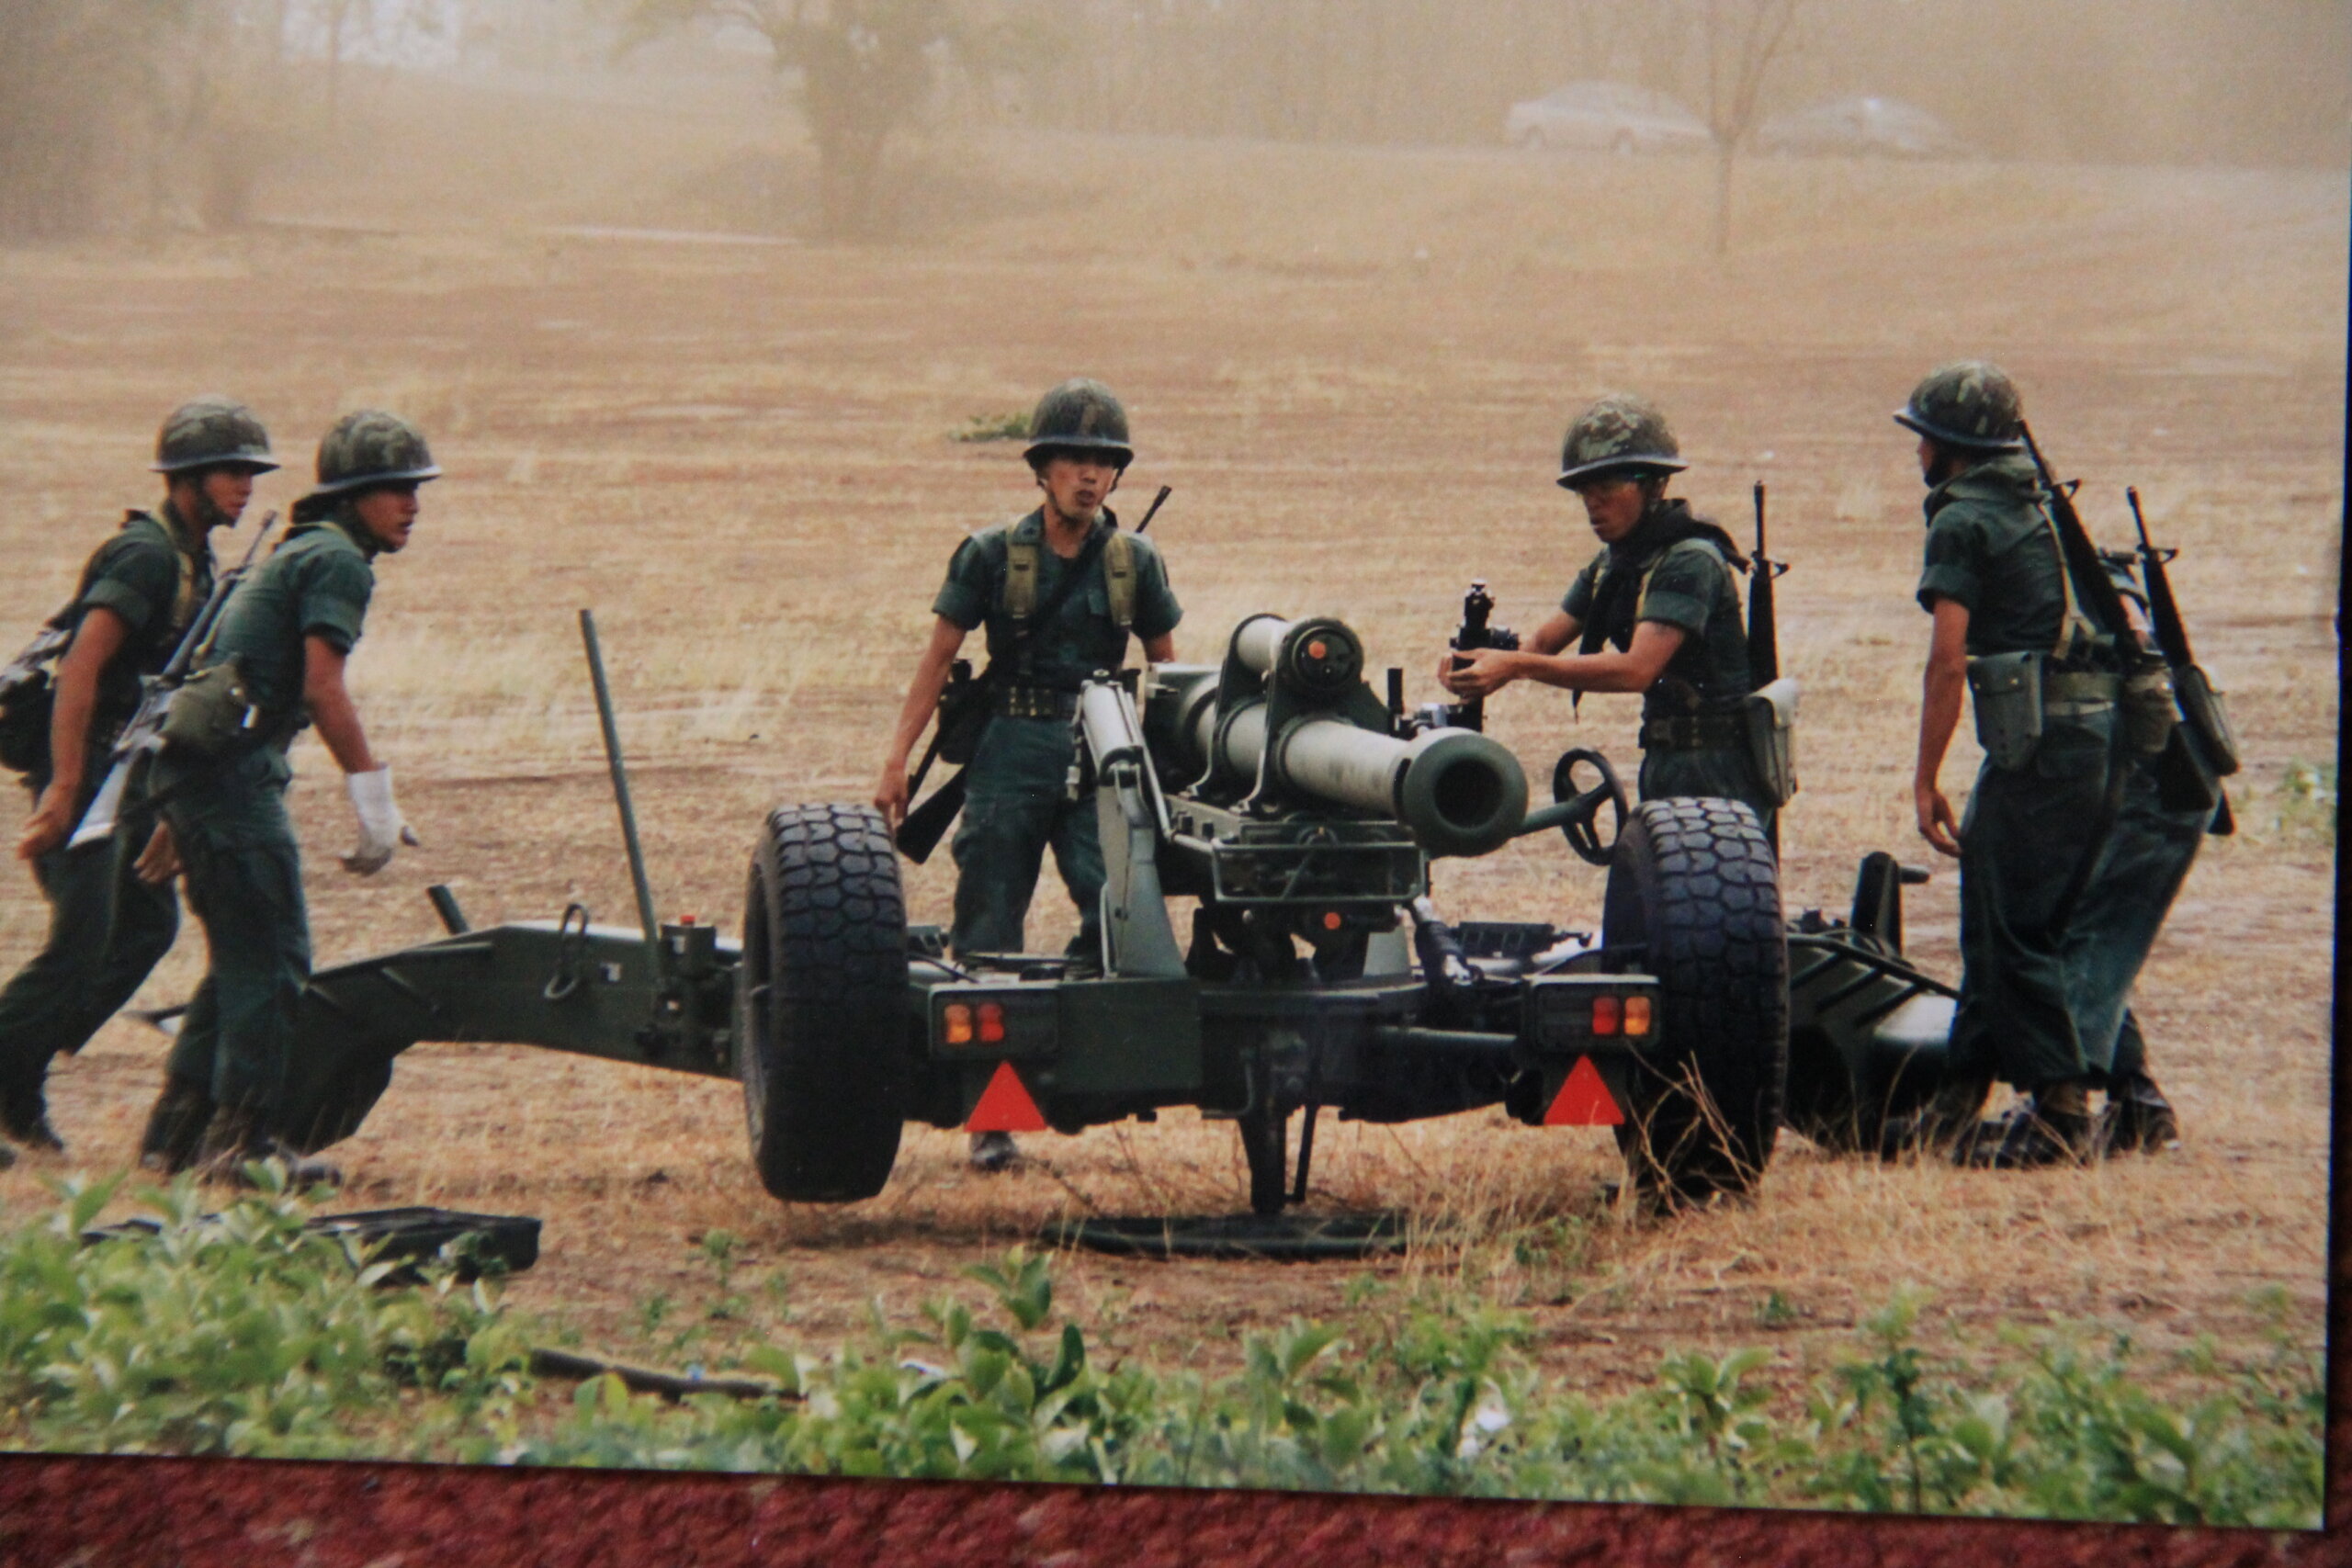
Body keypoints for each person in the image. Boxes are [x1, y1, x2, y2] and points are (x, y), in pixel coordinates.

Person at [874, 378, 1181, 1171]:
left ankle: (1076, 1072)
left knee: (1119, 908)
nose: (1089, 475)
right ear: (1042, 470)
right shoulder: (988, 554)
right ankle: (990, 1115)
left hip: (1099, 745)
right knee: (988, 919)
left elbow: (1173, 673)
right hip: (1008, 744)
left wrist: (1171, 769)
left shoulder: (1134, 561)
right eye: (1073, 460)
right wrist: (897, 760)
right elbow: (939, 656)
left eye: (1104, 463)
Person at [136, 410, 435, 1183]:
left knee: (239, 956)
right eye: (393, 489)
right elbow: (321, 688)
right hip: (230, 784)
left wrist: (178, 812)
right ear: (351, 498)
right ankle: (243, 1147)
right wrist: (373, 798)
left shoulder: (299, 550)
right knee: (274, 958)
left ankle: (174, 1137)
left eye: (414, 489)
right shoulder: (337, 563)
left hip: (208, 775)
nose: (412, 504)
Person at [0, 397, 278, 1162]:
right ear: (186, 478)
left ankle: (15, 1073)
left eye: (251, 471)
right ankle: (10, 1076)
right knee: (79, 945)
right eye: (231, 471)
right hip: (84, 762)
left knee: (146, 928)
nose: (245, 485)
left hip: (125, 769)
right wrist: (62, 790)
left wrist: (163, 806)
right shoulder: (146, 556)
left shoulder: (196, 561)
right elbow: (81, 668)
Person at [1899, 360, 2126, 1168]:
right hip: (2092, 737)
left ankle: (2064, 1112)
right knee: (2019, 918)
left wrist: (1926, 780)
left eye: (1923, 435)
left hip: (2042, 747)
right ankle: (1962, 1101)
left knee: (2010, 927)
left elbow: (1948, 660)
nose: (1917, 450)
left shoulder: (1963, 518)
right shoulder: (2038, 500)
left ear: (1950, 444)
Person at [1439, 393, 1777, 836]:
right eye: (1584, 491)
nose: (1592, 505)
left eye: (1607, 489)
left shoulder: (1688, 561)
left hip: (1719, 769)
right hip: (1665, 759)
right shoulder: (1613, 566)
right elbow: (1540, 645)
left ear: (1653, 485)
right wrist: (1477, 664)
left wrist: (1516, 666)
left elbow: (1636, 670)